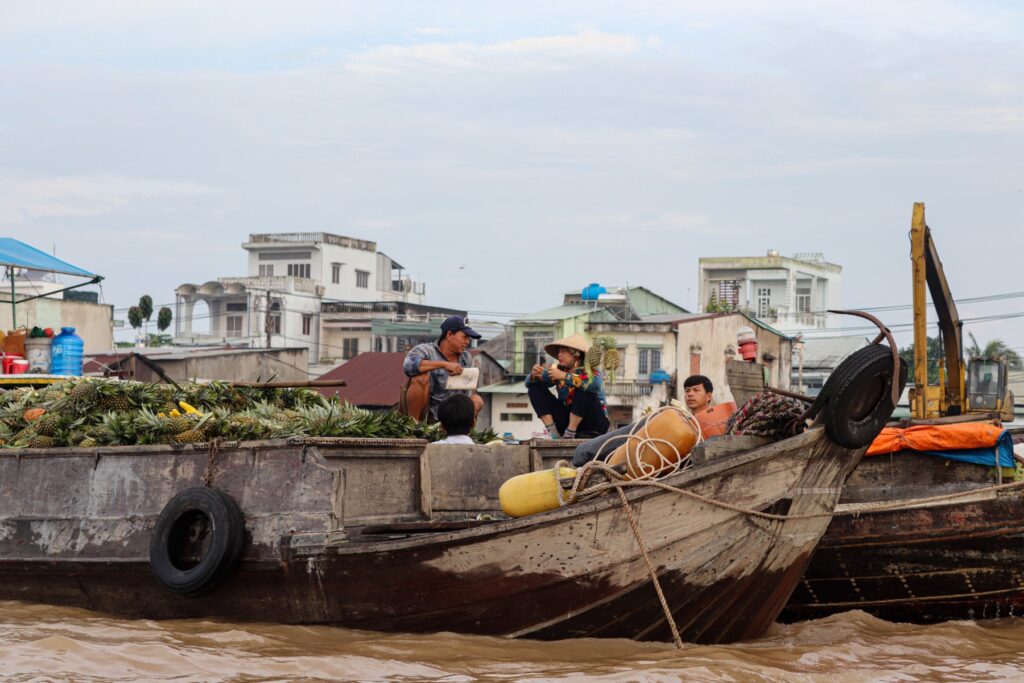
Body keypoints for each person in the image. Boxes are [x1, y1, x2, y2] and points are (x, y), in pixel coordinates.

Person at [571, 374, 734, 466]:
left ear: (709, 396)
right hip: (656, 452)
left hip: (675, 461)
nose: (690, 394)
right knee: (645, 425)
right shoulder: (679, 415)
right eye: (687, 391)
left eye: (696, 390)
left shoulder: (717, 420)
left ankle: (586, 453)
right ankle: (586, 453)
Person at [525, 334, 610, 440]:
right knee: (535, 388)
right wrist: (534, 375)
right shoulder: (559, 370)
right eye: (558, 352)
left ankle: (570, 432)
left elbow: (595, 385)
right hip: (566, 421)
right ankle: (554, 433)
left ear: (575, 353)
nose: (559, 355)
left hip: (593, 423)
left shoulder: (590, 369)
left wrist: (565, 377)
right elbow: (528, 383)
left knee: (583, 386)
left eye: (562, 351)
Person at [402, 316, 485, 422]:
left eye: (468, 338)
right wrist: (444, 364)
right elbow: (408, 365)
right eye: (464, 337)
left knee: (477, 400)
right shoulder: (426, 350)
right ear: (450, 335)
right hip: (429, 414)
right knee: (420, 378)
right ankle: (413, 425)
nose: (467, 342)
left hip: (452, 417)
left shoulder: (466, 358)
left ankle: (460, 430)